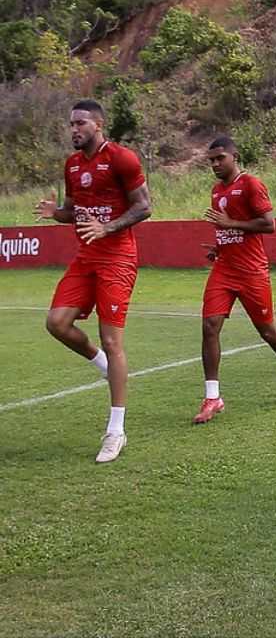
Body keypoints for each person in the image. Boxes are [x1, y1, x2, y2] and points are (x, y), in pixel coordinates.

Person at [34, 99, 151, 463]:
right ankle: (101, 364)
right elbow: (74, 212)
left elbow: (144, 206)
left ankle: (116, 432)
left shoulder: (122, 159)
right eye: (71, 123)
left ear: (98, 125)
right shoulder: (71, 164)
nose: (74, 129)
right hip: (85, 257)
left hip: (118, 258)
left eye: (81, 123)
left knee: (112, 340)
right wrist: (56, 213)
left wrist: (108, 227)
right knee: (56, 323)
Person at [193, 137, 276, 424]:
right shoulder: (217, 191)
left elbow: (269, 224)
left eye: (220, 158)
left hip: (252, 271)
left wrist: (231, 224)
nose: (215, 164)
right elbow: (227, 229)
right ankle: (212, 397)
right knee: (209, 326)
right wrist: (220, 246)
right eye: (211, 160)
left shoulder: (251, 184)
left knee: (267, 331)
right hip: (224, 269)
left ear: (235, 156)